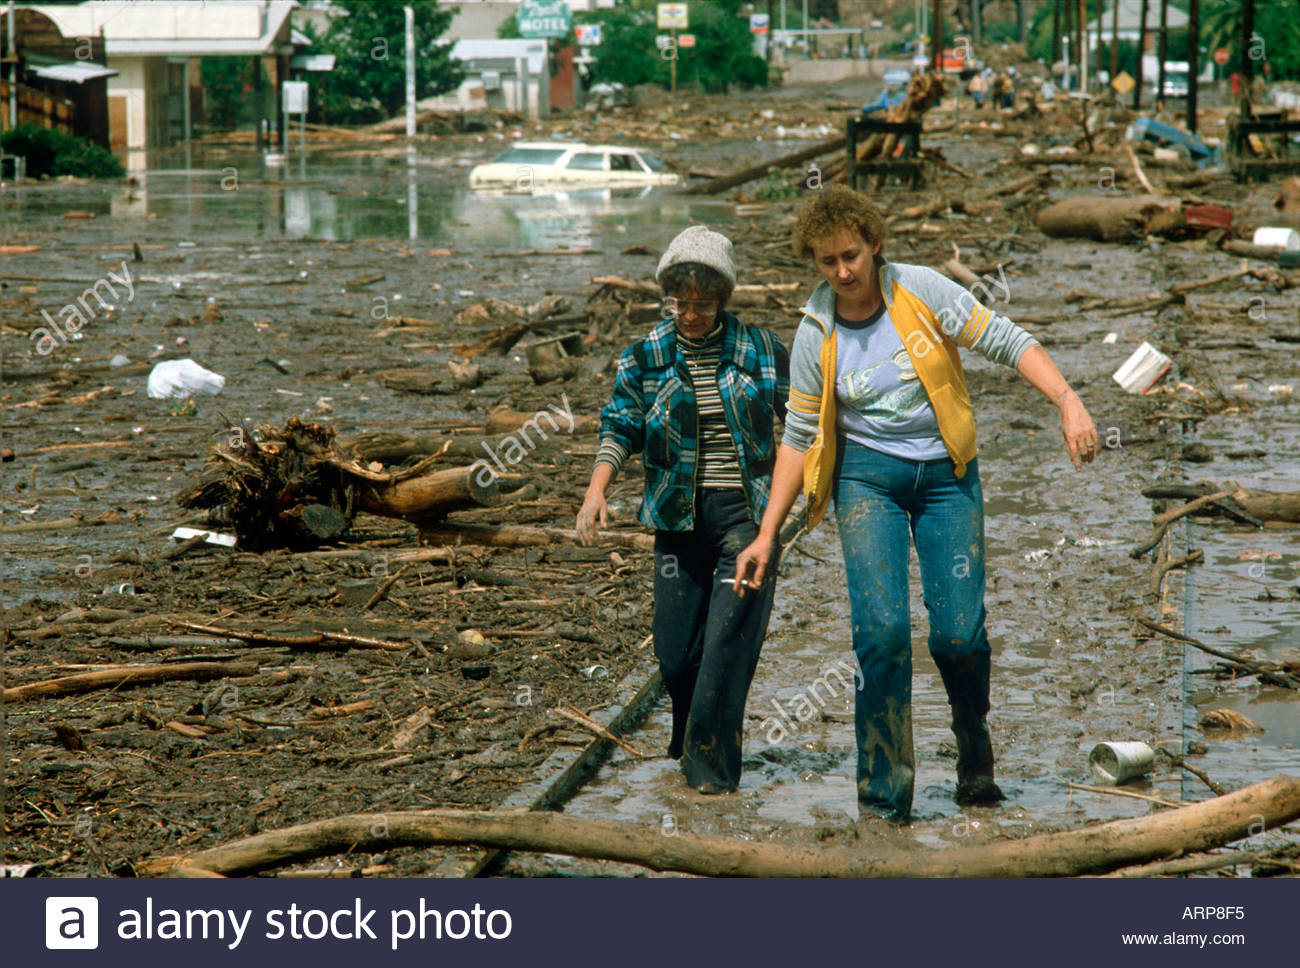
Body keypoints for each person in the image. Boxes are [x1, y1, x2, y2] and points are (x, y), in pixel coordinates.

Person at [733, 185, 1098, 823]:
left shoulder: (921, 290)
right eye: (827, 262)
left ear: (873, 244)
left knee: (957, 634)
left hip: (945, 473)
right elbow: (796, 434)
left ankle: (972, 742)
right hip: (866, 479)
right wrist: (767, 533)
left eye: (850, 255)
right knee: (880, 632)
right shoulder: (816, 327)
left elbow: (1007, 340)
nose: (842, 272)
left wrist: (1068, 401)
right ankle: (883, 802)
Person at [577, 225, 790, 795]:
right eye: (680, 303)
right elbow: (620, 423)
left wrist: (810, 497)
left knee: (725, 649)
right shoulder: (646, 354)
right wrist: (597, 489)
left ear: (723, 300)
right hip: (677, 520)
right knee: (675, 658)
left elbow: (804, 424)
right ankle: (687, 736)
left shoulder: (761, 349)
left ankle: (710, 784)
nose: (690, 314)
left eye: (702, 304)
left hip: (746, 520)